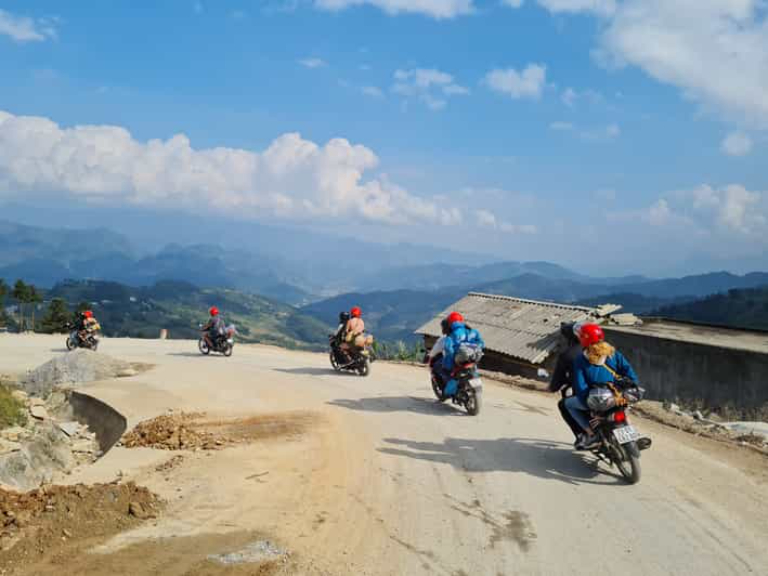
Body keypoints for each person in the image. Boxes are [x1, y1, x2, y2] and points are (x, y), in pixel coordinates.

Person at [566, 323, 638, 450]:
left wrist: (589, 406)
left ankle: (591, 434)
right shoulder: (613, 353)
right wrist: (631, 386)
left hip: (600, 399)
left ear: (583, 339)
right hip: (619, 396)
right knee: (623, 411)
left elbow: (580, 386)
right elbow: (629, 371)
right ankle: (632, 438)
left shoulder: (581, 359)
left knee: (568, 404)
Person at [549, 322, 584, 440]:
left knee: (563, 405)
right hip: (611, 389)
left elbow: (558, 378)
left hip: (586, 392)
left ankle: (582, 435)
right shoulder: (602, 350)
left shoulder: (568, 355)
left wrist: (553, 387)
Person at [441, 312, 485, 399]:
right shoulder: (472, 331)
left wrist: (447, 364)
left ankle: (448, 393)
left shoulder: (451, 335)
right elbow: (481, 343)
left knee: (451, 374)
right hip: (473, 358)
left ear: (450, 323)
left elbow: (449, 349)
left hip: (460, 360)